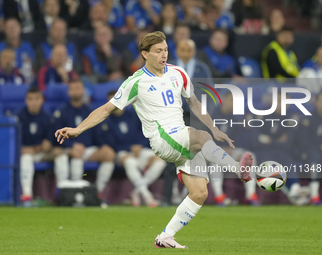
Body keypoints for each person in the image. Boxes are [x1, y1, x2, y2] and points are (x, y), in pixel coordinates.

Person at [55, 31, 253, 249]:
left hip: (182, 138)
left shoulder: (179, 73)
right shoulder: (136, 82)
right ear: (145, 54)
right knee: (201, 136)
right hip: (163, 139)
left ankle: (166, 237)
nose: (163, 54)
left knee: (199, 193)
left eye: (166, 50)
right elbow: (106, 109)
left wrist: (214, 128)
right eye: (158, 51)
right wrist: (78, 129)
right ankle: (237, 169)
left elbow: (194, 102)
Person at [96, 90, 166, 207]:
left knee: (160, 161)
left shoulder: (134, 115)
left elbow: (145, 132)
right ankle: (146, 195)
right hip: (121, 153)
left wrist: (140, 145)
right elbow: (109, 144)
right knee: (130, 162)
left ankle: (136, 192)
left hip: (139, 150)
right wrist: (129, 148)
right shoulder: (106, 121)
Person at [54, 80, 115, 197]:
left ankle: (98, 192)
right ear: (68, 92)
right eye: (73, 89)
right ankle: (74, 192)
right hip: (68, 150)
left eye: (78, 88)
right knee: (77, 153)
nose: (76, 92)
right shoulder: (62, 111)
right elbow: (56, 137)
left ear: (83, 90)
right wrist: (71, 146)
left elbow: (97, 135)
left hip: (88, 150)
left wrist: (104, 146)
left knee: (109, 154)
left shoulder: (90, 111)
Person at [250, 91, 309, 205]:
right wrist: (277, 141)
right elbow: (254, 141)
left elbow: (287, 145)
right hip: (263, 153)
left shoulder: (289, 120)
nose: (282, 104)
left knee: (287, 161)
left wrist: (268, 140)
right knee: (271, 165)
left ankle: (295, 189)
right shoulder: (260, 116)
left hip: (282, 154)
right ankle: (293, 193)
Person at [17, 87, 69, 206]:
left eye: (36, 99)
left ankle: (64, 192)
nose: (33, 102)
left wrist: (49, 146)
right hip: (25, 154)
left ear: (42, 100)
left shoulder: (48, 118)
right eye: (30, 99)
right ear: (26, 101)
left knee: (61, 155)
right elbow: (14, 143)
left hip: (41, 153)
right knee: (26, 158)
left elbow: (51, 142)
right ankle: (27, 195)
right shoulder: (18, 117)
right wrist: (20, 149)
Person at [211, 92, 260, 206]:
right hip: (213, 152)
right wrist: (219, 148)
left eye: (234, 102)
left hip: (229, 152)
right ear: (223, 99)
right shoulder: (212, 116)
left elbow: (236, 142)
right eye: (230, 100)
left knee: (249, 155)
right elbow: (206, 137)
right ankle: (219, 196)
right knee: (215, 161)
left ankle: (250, 194)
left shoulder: (233, 119)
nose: (232, 104)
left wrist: (233, 150)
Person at [295, 92, 322, 205]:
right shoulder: (307, 119)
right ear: (316, 103)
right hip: (309, 153)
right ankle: (314, 196)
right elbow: (303, 141)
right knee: (314, 158)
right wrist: (320, 146)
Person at [0, 18, 35, 84]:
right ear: (4, 30)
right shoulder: (1, 47)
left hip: (26, 82)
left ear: (19, 28)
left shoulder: (27, 46)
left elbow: (34, 66)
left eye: (13, 27)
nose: (11, 30)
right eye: (9, 28)